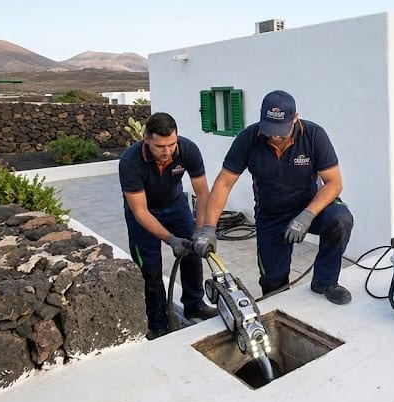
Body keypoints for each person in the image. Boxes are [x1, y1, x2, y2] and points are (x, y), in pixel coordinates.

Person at [193, 90, 355, 305]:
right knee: (273, 282)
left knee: (340, 220)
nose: (275, 136)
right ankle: (279, 305)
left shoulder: (314, 135)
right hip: (271, 215)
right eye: (270, 129)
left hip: (310, 207)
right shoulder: (248, 139)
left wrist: (307, 215)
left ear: (295, 118)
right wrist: (209, 228)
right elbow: (223, 183)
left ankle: (325, 281)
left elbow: (334, 183)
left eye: (281, 130)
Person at [119, 112, 218, 340]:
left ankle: (194, 305)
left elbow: (203, 193)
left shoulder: (187, 150)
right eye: (160, 146)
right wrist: (170, 239)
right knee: (150, 269)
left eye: (171, 144)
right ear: (146, 138)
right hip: (143, 212)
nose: (167, 152)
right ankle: (158, 322)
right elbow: (140, 211)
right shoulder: (130, 162)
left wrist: (200, 231)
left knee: (194, 254)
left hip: (176, 206)